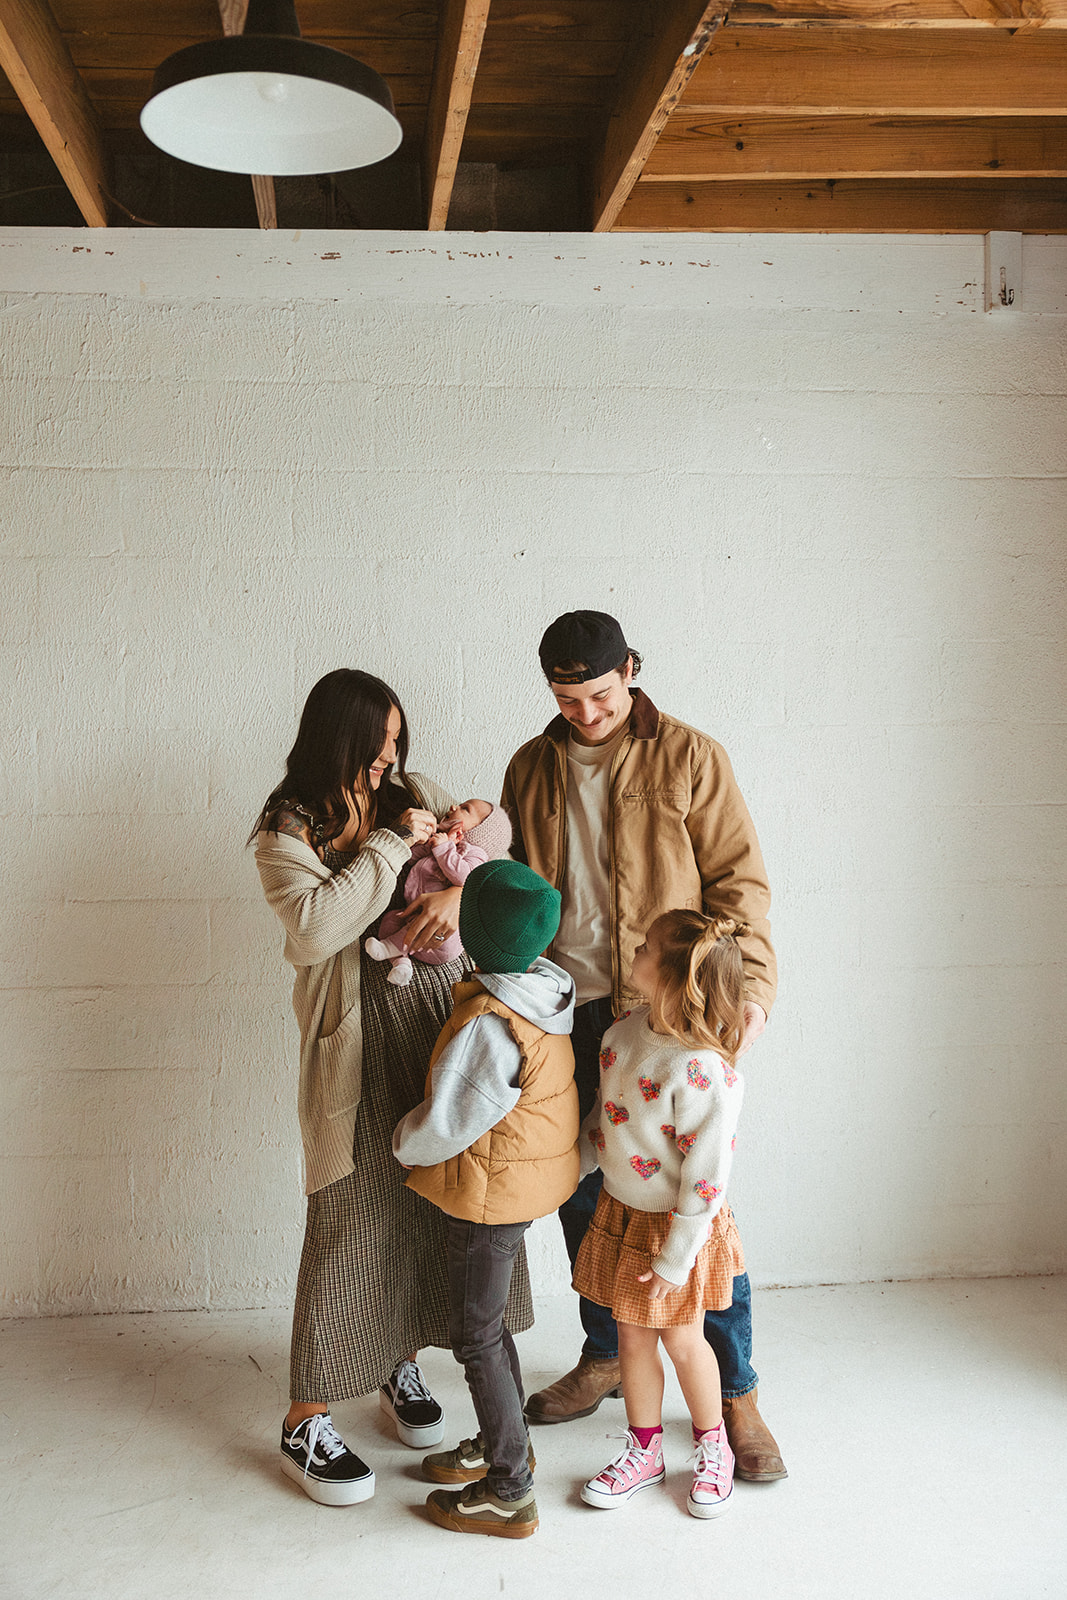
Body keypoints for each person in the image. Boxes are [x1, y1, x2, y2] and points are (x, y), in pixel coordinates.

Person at [501, 610, 786, 1482]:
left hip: (671, 1010)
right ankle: (602, 1351)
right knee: (585, 1195)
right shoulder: (530, 766)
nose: (585, 713)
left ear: (630, 670)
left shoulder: (691, 758)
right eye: (566, 698)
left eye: (599, 694)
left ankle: (731, 1390)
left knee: (694, 1207)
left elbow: (739, 882)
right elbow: (510, 884)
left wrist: (749, 992)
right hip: (571, 1013)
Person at [252, 669, 533, 1506]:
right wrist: (386, 847)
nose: (390, 765)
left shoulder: (415, 792)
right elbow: (315, 931)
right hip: (358, 1044)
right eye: (375, 752)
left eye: (395, 748)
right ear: (333, 743)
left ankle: (398, 1363)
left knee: (432, 1200)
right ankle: (306, 1417)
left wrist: (452, 887)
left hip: (438, 1025)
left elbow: (494, 862)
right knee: (350, 1214)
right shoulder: (286, 831)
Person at [393, 859, 579, 1539]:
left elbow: (449, 1119)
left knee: (474, 1334)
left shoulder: (489, 1022)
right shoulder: (545, 988)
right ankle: (507, 1442)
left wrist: (400, 1143)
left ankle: (508, 1489)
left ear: (473, 935)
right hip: (521, 1185)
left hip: (488, 1195)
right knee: (488, 1325)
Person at [576, 910, 747, 1518]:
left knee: (682, 1337)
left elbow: (707, 1180)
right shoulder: (621, 1035)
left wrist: (677, 1258)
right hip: (623, 1214)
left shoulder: (702, 1069)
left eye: (646, 948)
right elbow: (605, 1119)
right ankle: (645, 1450)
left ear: (675, 978)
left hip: (676, 1229)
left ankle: (713, 1444)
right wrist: (571, 1164)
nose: (634, 951)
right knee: (630, 1336)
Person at [364, 799, 512, 983]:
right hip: (415, 917)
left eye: (465, 809)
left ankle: (389, 947)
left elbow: (466, 879)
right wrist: (427, 844)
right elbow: (410, 859)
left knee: (417, 924)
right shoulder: (442, 840)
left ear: (480, 832)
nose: (453, 807)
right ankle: (401, 965)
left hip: (442, 938)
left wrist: (444, 848)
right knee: (391, 920)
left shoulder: (474, 854)